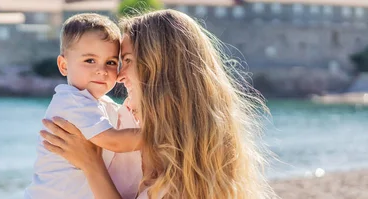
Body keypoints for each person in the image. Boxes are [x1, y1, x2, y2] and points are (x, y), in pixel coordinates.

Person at [39, 10, 275, 199]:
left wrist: (91, 164)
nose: (118, 75)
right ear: (64, 64)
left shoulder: (177, 176)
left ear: (159, 71)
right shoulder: (199, 147)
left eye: (125, 60)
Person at [25, 13, 143, 199]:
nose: (101, 70)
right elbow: (114, 141)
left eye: (111, 62)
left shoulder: (99, 104)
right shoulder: (72, 101)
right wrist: (161, 134)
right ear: (63, 66)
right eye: (90, 60)